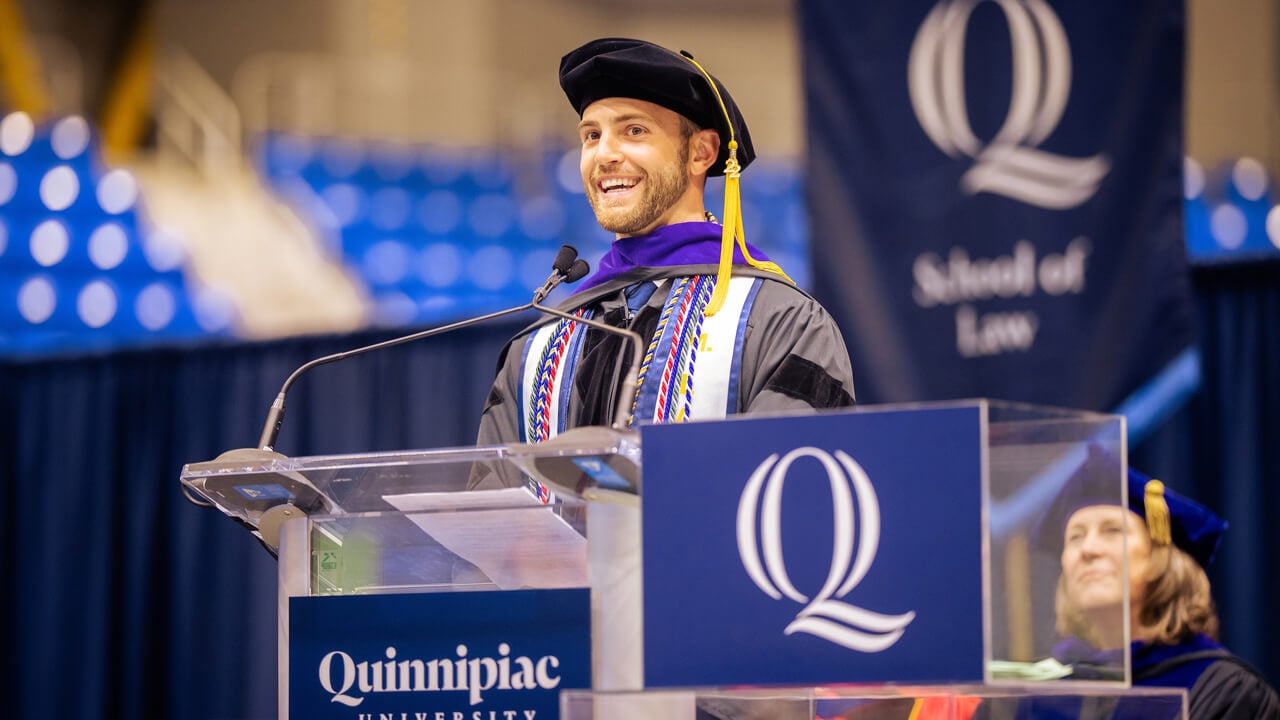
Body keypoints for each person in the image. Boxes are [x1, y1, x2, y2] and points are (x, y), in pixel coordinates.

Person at [476, 38, 855, 448]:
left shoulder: (782, 323)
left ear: (701, 152)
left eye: (633, 131)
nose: (604, 154)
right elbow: (493, 502)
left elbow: (786, 488)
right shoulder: (540, 344)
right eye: (591, 135)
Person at [1030, 447, 1280, 719]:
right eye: (1075, 537)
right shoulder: (1035, 696)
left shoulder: (1224, 690)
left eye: (1113, 530)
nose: (1087, 549)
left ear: (1161, 559)